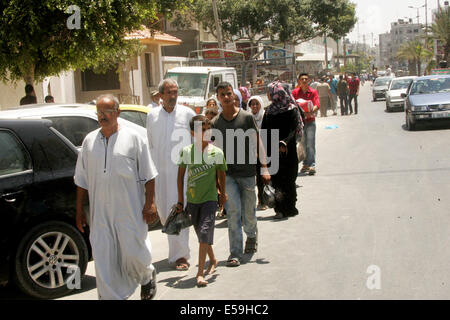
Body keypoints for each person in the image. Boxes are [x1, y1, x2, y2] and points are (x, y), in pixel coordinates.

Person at [74, 94, 158, 300]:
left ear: (118, 113)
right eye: (99, 112)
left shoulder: (134, 138)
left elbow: (149, 175)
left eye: (107, 112)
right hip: (100, 214)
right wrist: (79, 211)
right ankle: (109, 296)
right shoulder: (89, 141)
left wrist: (150, 204)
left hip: (129, 210)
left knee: (134, 253)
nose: (103, 116)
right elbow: (81, 180)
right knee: (104, 257)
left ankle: (147, 276)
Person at [211, 82, 270, 267]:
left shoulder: (246, 118)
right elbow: (211, 151)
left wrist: (265, 167)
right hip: (227, 175)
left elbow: (257, 141)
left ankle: (251, 235)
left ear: (234, 96)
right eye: (222, 95)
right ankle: (235, 252)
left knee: (249, 212)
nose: (226, 97)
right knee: (234, 213)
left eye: (229, 93)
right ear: (218, 98)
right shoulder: (215, 123)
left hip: (246, 172)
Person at [146, 79, 196, 271]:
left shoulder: (187, 114)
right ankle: (176, 252)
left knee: (178, 210)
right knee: (165, 213)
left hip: (182, 175)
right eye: (169, 92)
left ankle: (181, 255)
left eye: (175, 92)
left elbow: (198, 143)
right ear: (161, 95)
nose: (173, 96)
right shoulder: (152, 116)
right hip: (160, 175)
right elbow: (150, 145)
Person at [177, 115, 227, 287]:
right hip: (192, 200)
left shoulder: (217, 153)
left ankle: (199, 274)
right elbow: (180, 177)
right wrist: (180, 200)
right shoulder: (186, 152)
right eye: (201, 130)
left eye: (208, 129)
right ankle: (213, 259)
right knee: (201, 234)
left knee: (204, 232)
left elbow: (222, 175)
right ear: (192, 132)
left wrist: (223, 195)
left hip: (210, 199)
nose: (205, 133)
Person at [261, 81, 302, 219]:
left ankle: (290, 206)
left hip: (288, 150)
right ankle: (279, 208)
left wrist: (285, 142)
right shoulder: (269, 111)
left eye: (270, 92)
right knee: (277, 180)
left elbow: (294, 129)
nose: (268, 95)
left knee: (290, 179)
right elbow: (264, 131)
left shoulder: (292, 109)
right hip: (273, 151)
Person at [291, 73, 320, 176]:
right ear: (299, 81)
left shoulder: (313, 92)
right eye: (302, 79)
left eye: (306, 79)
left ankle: (312, 164)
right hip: (300, 123)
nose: (304, 80)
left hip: (310, 121)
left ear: (309, 81)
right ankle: (305, 164)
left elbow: (317, 104)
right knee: (302, 144)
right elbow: (292, 105)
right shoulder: (294, 93)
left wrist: (311, 111)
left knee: (310, 143)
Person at [247, 95, 266, 210]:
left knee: (261, 176)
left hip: (264, 150)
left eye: (256, 104)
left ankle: (262, 200)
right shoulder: (247, 118)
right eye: (252, 104)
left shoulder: (265, 117)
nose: (254, 106)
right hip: (250, 150)